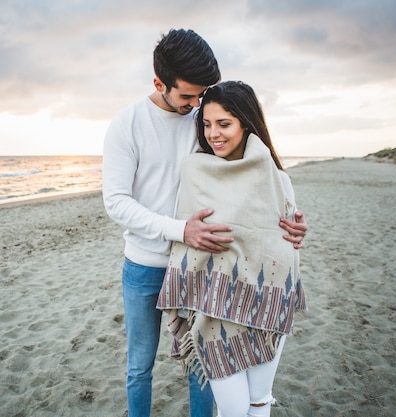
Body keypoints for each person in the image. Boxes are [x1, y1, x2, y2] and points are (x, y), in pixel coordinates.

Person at [102, 29, 308, 417]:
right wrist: (182, 230)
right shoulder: (127, 124)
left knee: (204, 364)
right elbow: (116, 203)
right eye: (187, 96)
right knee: (139, 367)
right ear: (159, 83)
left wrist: (292, 216)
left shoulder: (207, 119)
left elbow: (255, 176)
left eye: (201, 94)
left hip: (206, 265)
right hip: (146, 264)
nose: (196, 105)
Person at [156, 80, 308, 417]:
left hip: (268, 303)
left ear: (246, 123)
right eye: (207, 124)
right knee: (233, 409)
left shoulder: (276, 177)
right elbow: (185, 232)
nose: (214, 134)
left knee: (259, 400)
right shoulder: (195, 170)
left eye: (224, 124)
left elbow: (283, 234)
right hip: (213, 306)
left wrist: (298, 231)